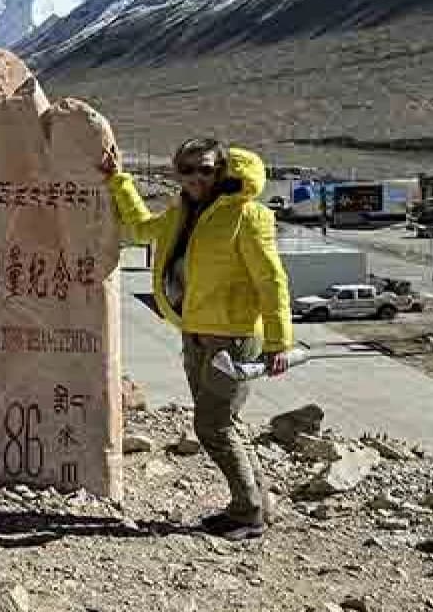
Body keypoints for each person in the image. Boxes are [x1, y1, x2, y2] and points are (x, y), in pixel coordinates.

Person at [100, 138, 293, 540]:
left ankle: (247, 513)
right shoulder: (182, 211)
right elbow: (140, 230)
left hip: (235, 338)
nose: (196, 178)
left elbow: (271, 280)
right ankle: (258, 503)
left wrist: (279, 342)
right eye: (186, 169)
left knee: (212, 425)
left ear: (222, 170)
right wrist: (119, 181)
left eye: (205, 169)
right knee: (224, 422)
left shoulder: (248, 215)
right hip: (195, 333)